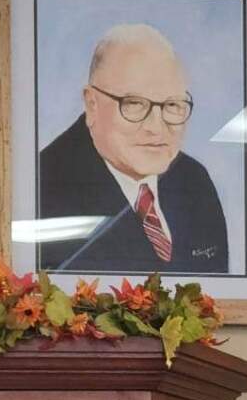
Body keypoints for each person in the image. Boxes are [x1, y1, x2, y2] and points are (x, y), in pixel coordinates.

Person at [37, 23, 229, 275]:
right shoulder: (43, 188)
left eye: (172, 105)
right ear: (91, 104)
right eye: (135, 104)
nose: (156, 127)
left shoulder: (194, 181)